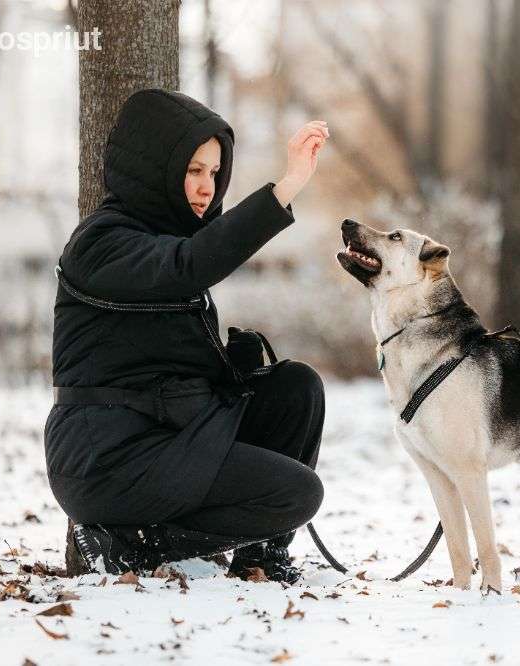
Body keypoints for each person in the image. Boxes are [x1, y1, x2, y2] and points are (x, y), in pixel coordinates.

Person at [44, 89, 330, 584]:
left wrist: (227, 367)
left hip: (170, 437)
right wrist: (287, 186)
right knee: (298, 495)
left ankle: (260, 556)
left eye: (215, 173)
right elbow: (187, 268)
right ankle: (127, 544)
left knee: (295, 388)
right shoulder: (101, 242)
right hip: (108, 458)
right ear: (155, 167)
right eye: (194, 170)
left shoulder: (170, 241)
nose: (206, 188)